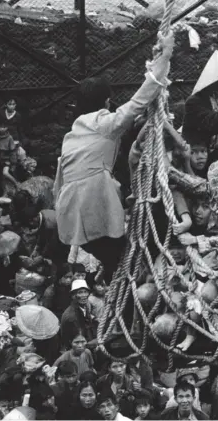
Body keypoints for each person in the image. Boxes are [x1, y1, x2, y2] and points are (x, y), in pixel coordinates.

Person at [53, 33, 174, 283]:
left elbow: (61, 177)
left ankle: (111, 281)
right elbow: (139, 100)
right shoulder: (105, 124)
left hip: (70, 213)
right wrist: (166, 57)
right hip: (93, 203)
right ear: (105, 101)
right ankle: (123, 286)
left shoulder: (72, 134)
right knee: (121, 257)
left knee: (111, 256)